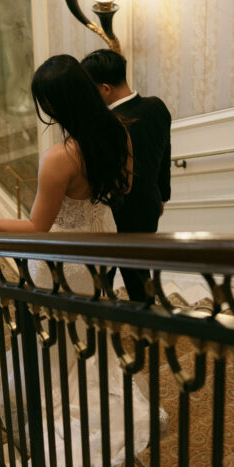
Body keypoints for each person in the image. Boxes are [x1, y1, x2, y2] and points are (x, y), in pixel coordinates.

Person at [0, 54, 151, 467]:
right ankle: (87, 389)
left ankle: (53, 404)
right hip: (101, 246)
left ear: (53, 106)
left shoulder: (60, 158)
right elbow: (122, 187)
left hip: (65, 264)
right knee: (84, 331)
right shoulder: (119, 132)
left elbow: (35, 228)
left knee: (52, 340)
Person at [80, 49, 171, 301]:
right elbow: (165, 158)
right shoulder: (157, 106)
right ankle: (147, 330)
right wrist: (163, 197)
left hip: (115, 213)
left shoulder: (108, 124)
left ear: (105, 88)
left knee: (103, 275)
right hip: (150, 207)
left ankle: (105, 325)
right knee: (140, 276)